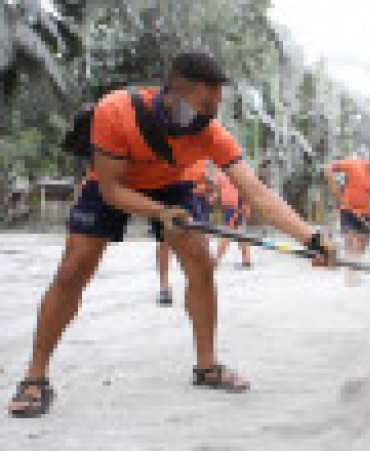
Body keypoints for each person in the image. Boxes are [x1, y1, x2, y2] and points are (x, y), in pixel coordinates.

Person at [8, 52, 334, 418]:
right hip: (112, 184)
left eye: (216, 106)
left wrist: (312, 238)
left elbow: (257, 194)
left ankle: (207, 366)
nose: (210, 114)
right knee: (73, 269)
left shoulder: (210, 133)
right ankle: (35, 378)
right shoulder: (116, 110)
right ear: (172, 95)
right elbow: (114, 191)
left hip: (175, 186)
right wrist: (161, 214)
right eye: (203, 104)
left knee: (201, 265)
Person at [324, 143, 370, 282]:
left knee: (362, 246)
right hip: (348, 210)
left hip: (366, 214)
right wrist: (334, 188)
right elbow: (328, 168)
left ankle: (354, 269)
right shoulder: (353, 164)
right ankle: (352, 274)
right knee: (351, 240)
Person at [156, 160, 213, 306]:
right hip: (170, 186)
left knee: (201, 237)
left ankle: (199, 281)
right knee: (165, 239)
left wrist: (210, 189)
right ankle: (164, 286)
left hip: (197, 192)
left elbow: (211, 168)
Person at [212, 168, 252, 268]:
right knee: (238, 233)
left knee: (229, 233)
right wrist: (214, 196)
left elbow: (245, 188)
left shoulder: (236, 169)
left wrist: (245, 205)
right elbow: (218, 187)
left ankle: (217, 259)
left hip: (236, 205)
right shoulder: (219, 171)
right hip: (229, 207)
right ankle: (246, 259)